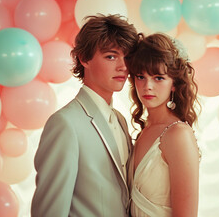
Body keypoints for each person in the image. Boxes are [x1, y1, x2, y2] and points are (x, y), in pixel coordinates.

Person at [31, 14, 139, 217]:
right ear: (84, 58)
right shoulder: (65, 124)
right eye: (111, 56)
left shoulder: (120, 120)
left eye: (127, 57)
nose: (123, 66)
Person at [126, 33, 202, 217]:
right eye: (140, 76)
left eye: (158, 78)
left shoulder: (178, 134)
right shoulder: (145, 131)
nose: (147, 86)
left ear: (174, 84)